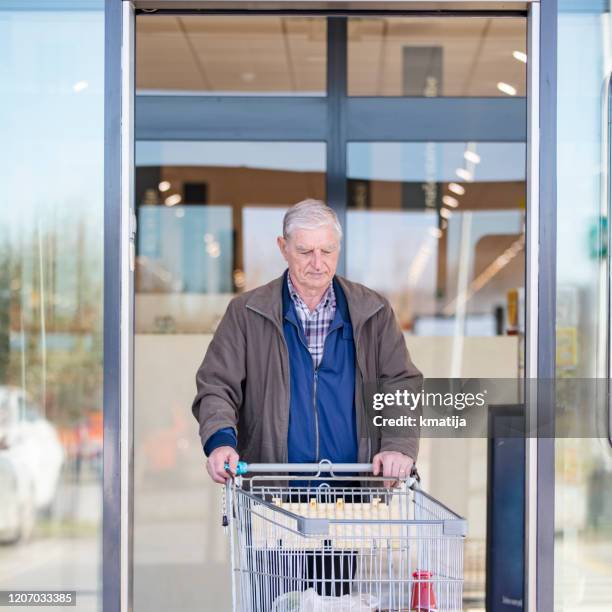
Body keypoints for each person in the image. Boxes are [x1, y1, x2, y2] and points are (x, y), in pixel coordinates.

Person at [191, 199, 423, 487]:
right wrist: (221, 440)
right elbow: (217, 385)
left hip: (358, 498)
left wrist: (398, 445)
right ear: (283, 247)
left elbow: (401, 383)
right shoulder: (246, 313)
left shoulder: (373, 311)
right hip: (272, 499)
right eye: (305, 251)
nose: (317, 263)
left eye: (327, 250)